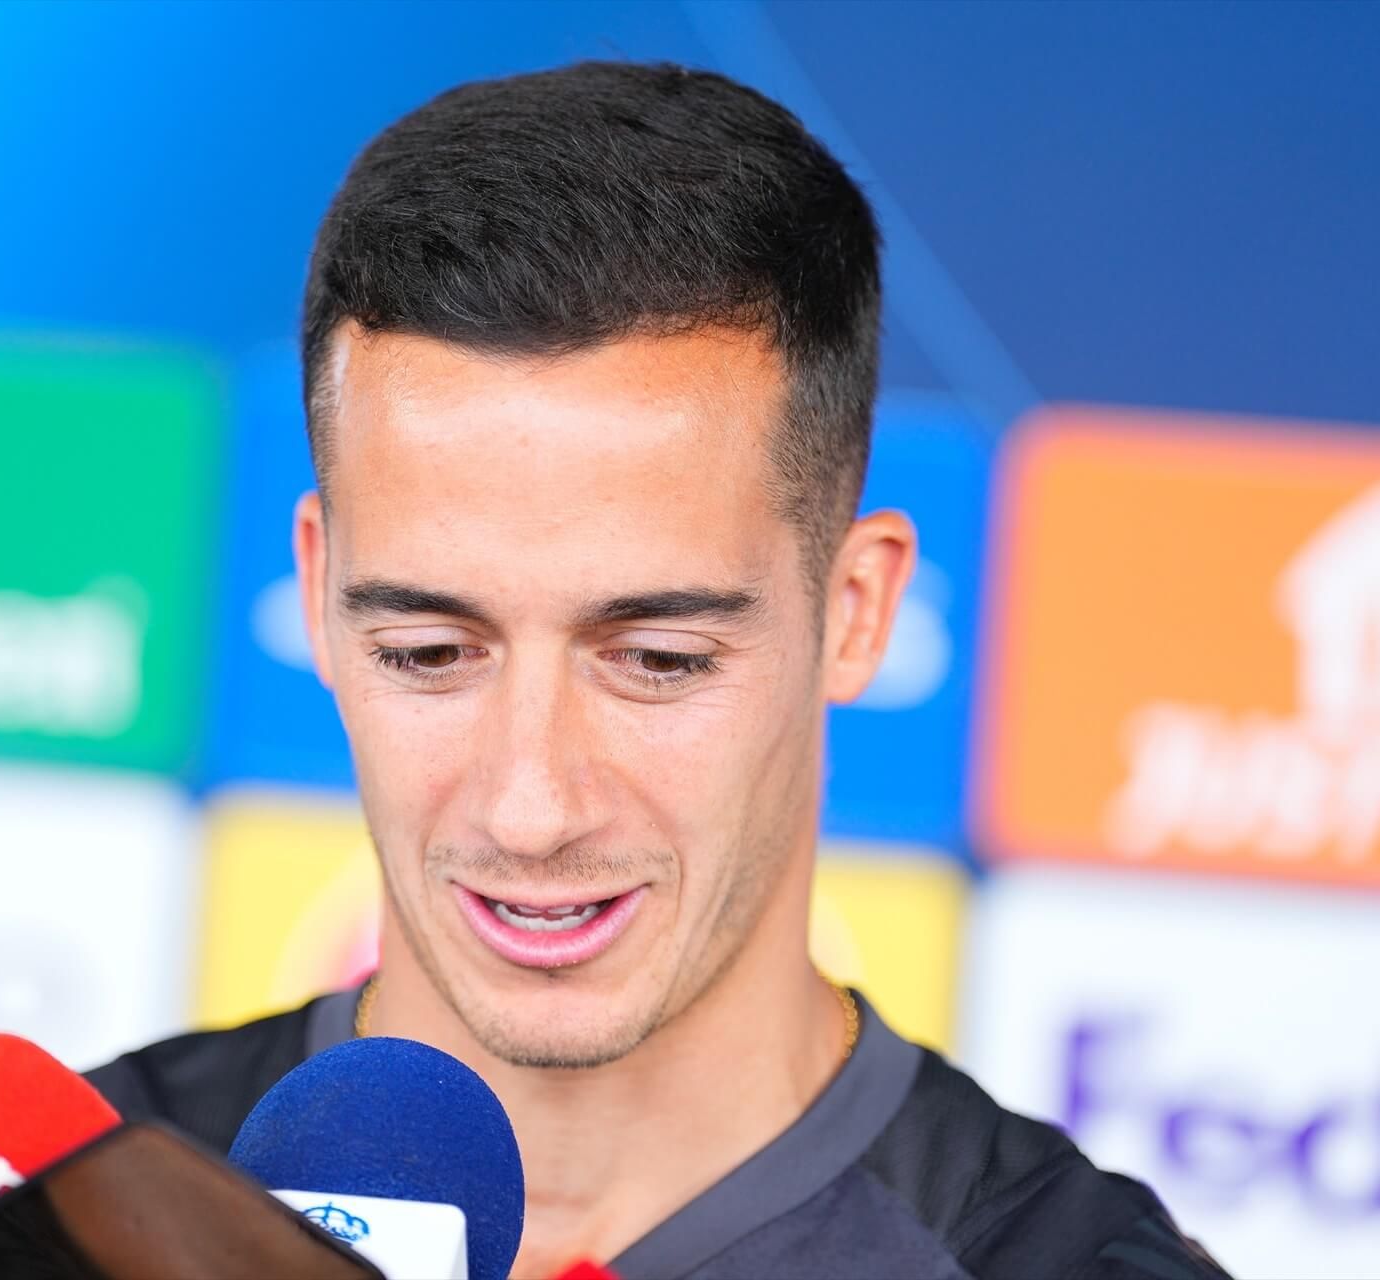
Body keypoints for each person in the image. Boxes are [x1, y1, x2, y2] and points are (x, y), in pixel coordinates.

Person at [85, 61, 1226, 1280]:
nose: (530, 805)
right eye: (428, 651)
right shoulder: (59, 1211)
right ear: (317, 595)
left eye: (656, 659)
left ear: (857, 611)